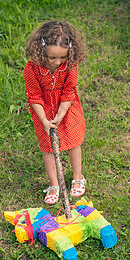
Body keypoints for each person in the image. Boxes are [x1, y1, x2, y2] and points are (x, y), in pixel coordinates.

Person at [24, 20, 86, 205]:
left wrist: (61, 113)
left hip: (67, 108)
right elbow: (33, 96)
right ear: (41, 51)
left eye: (62, 58)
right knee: (48, 148)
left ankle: (78, 176)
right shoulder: (32, 68)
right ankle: (53, 184)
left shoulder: (71, 65)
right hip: (43, 111)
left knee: (73, 141)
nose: (58, 62)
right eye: (52, 58)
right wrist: (44, 119)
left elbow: (69, 91)